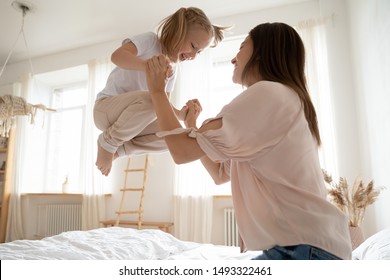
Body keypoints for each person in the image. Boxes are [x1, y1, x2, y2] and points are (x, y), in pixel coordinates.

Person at [144, 22, 352, 260]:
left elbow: (181, 152)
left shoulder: (269, 94)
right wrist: (192, 126)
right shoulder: (283, 101)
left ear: (262, 53)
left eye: (242, 47)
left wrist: (157, 92)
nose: (234, 59)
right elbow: (220, 173)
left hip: (305, 248)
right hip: (311, 246)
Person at [94, 7, 228, 176]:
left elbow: (162, 106)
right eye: (193, 46)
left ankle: (119, 150)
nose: (193, 55)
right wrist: (149, 67)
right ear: (179, 31)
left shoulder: (172, 70)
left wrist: (181, 114)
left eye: (199, 52)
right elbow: (117, 56)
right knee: (152, 99)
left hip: (129, 123)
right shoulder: (151, 41)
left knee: (175, 136)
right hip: (105, 110)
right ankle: (107, 143)